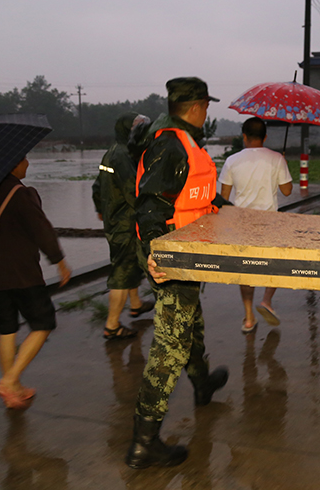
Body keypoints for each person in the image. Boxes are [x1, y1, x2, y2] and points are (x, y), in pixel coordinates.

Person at [125, 76, 229, 470]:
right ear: (198, 107)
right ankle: (144, 442)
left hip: (185, 251)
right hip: (170, 254)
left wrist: (232, 213)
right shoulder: (170, 145)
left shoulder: (185, 142)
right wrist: (158, 252)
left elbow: (195, 193)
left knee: (190, 318)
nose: (207, 112)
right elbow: (151, 203)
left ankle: (201, 383)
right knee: (170, 345)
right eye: (207, 106)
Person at [0, 155, 72, 410]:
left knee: (6, 329)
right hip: (22, 273)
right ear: (13, 164)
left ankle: (13, 390)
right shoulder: (21, 194)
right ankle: (9, 380)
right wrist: (59, 261)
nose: (28, 163)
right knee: (43, 323)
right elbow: (41, 230)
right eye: (24, 159)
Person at [218, 116, 293, 333]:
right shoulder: (276, 159)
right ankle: (266, 301)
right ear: (265, 137)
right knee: (277, 264)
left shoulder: (232, 160)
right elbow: (287, 191)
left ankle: (249, 317)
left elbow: (224, 198)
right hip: (270, 222)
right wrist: (283, 165)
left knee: (246, 270)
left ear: (244, 136)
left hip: (242, 224)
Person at [92, 112, 155, 340]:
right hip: (126, 223)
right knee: (122, 271)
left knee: (131, 264)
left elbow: (97, 186)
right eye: (137, 128)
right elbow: (133, 190)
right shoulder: (123, 156)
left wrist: (101, 209)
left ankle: (136, 304)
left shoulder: (112, 152)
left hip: (115, 219)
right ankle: (112, 325)